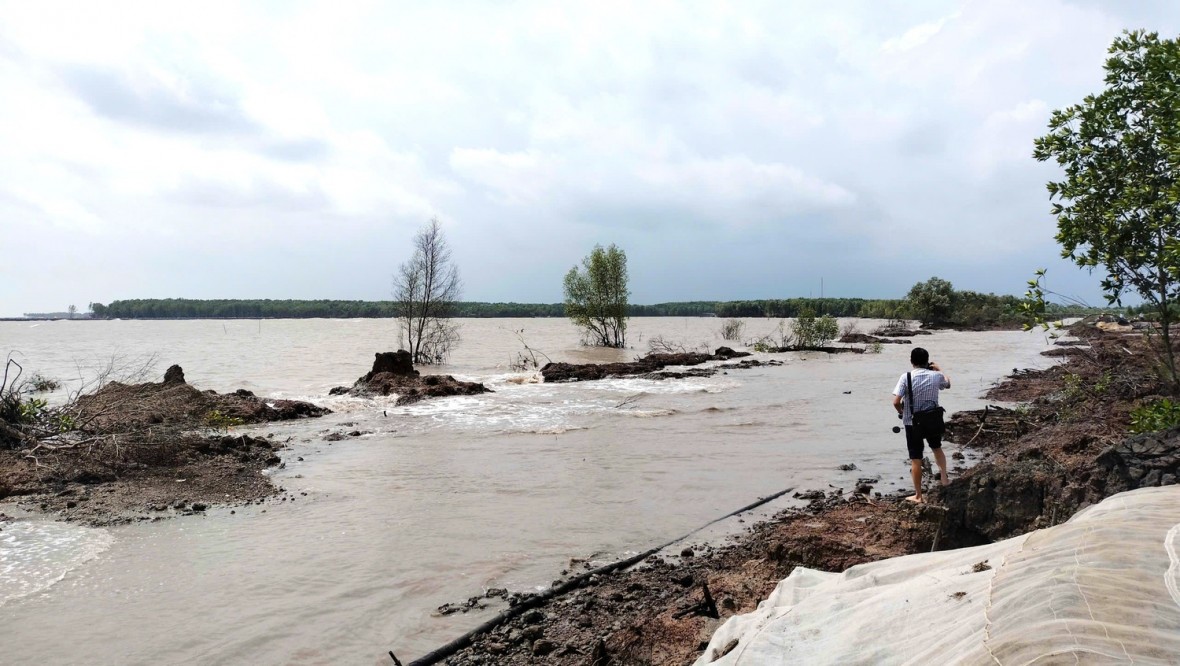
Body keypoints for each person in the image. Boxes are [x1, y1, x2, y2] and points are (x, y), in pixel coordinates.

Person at [891, 347, 950, 503]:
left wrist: (902, 412)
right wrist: (939, 369)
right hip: (932, 419)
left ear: (911, 361)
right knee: (936, 447)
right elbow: (947, 384)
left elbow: (896, 402)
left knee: (916, 457)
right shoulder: (936, 375)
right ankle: (944, 479)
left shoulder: (906, 377)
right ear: (927, 361)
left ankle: (918, 495)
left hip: (912, 422)